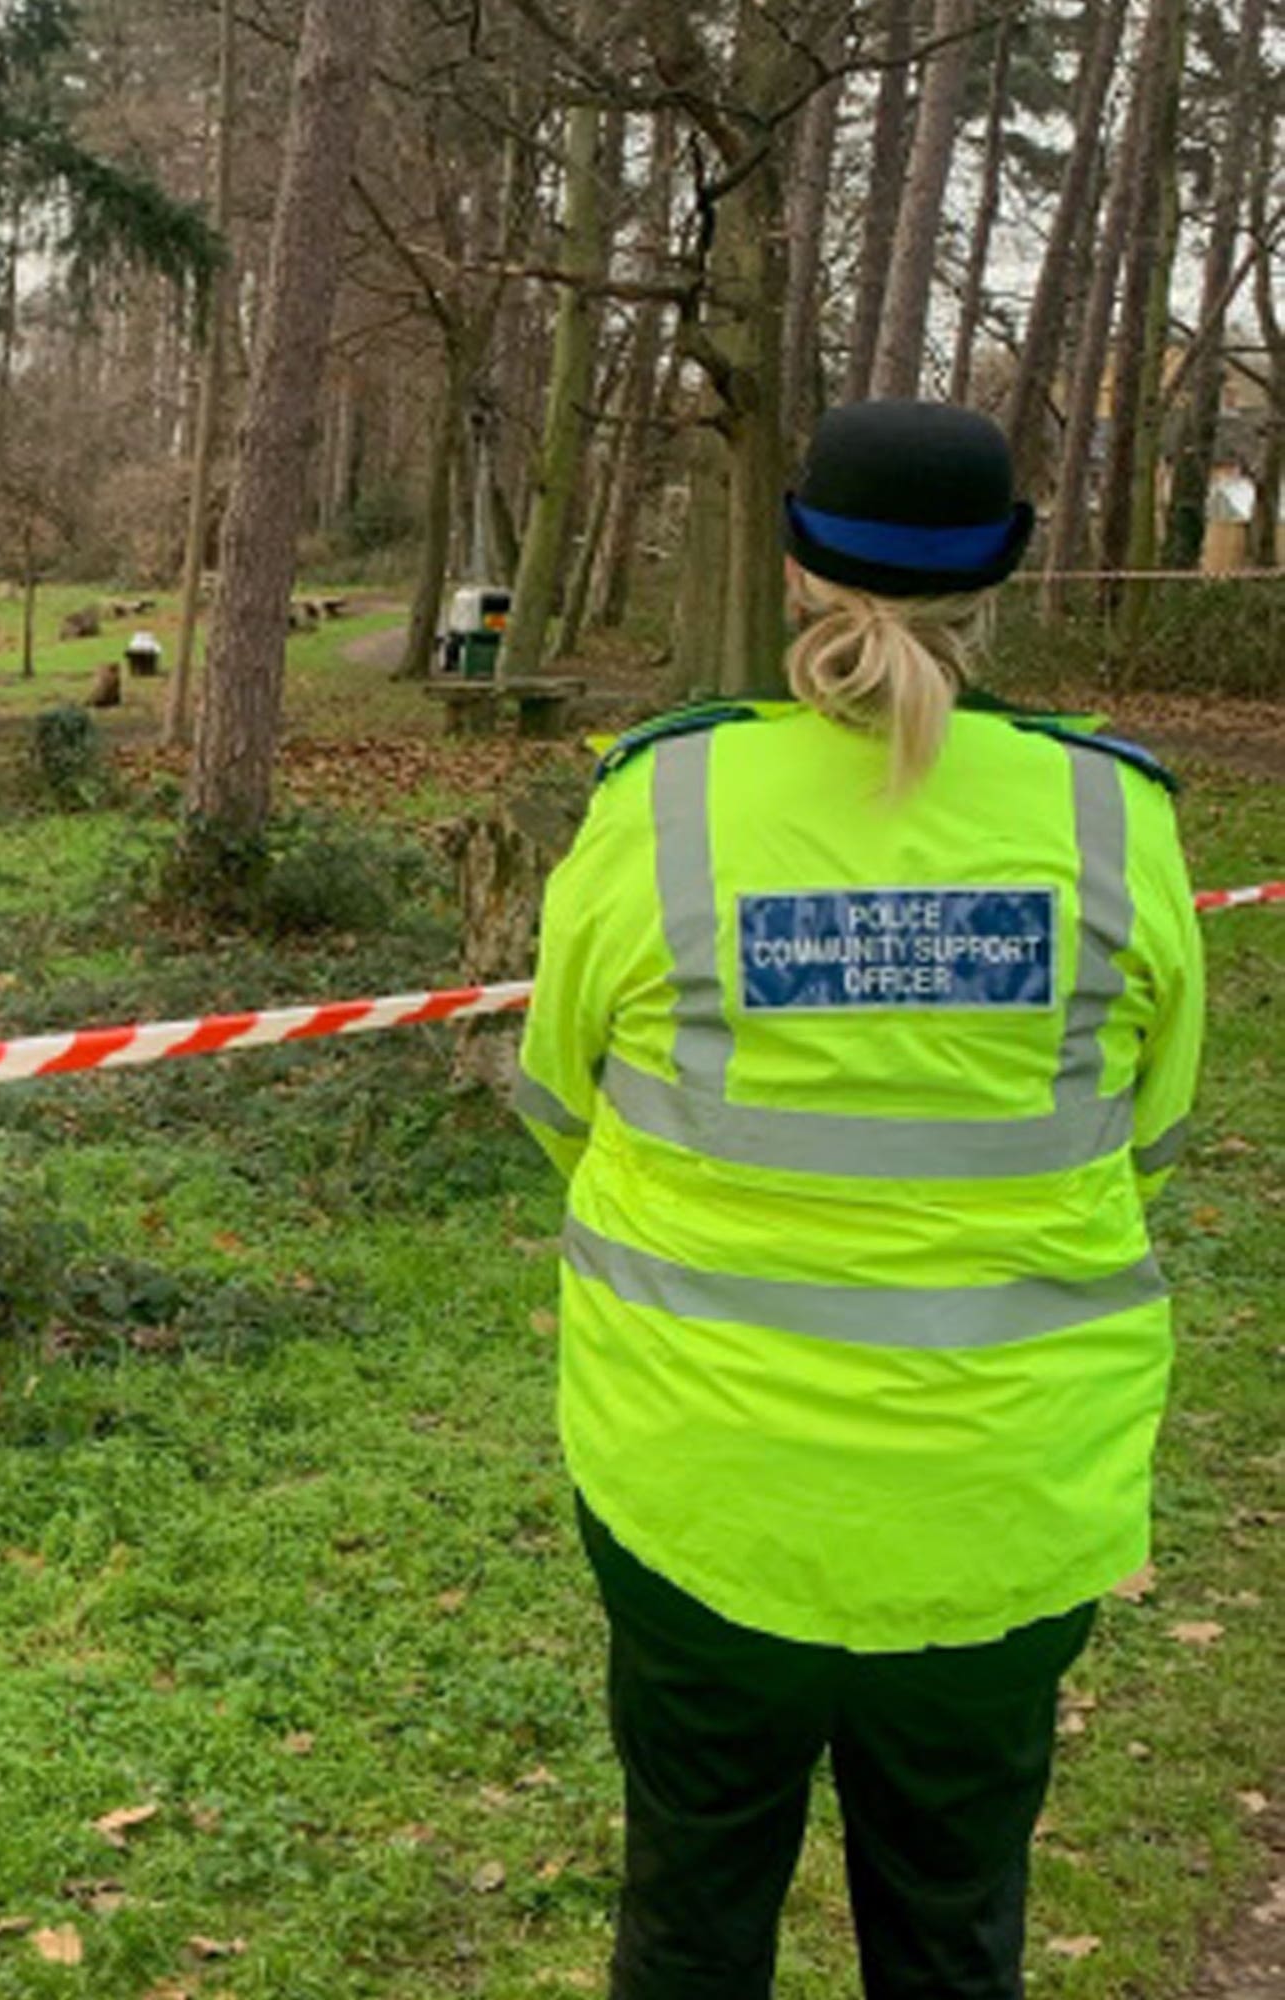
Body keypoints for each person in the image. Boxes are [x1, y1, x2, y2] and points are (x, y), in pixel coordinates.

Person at [513, 399, 1208, 2000]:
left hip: (701, 1490)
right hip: (1008, 1505)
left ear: (792, 564)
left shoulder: (660, 802)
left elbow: (563, 1109)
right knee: (953, 1929)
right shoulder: (1117, 815)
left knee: (692, 1919)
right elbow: (1151, 1134)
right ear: (1000, 584)